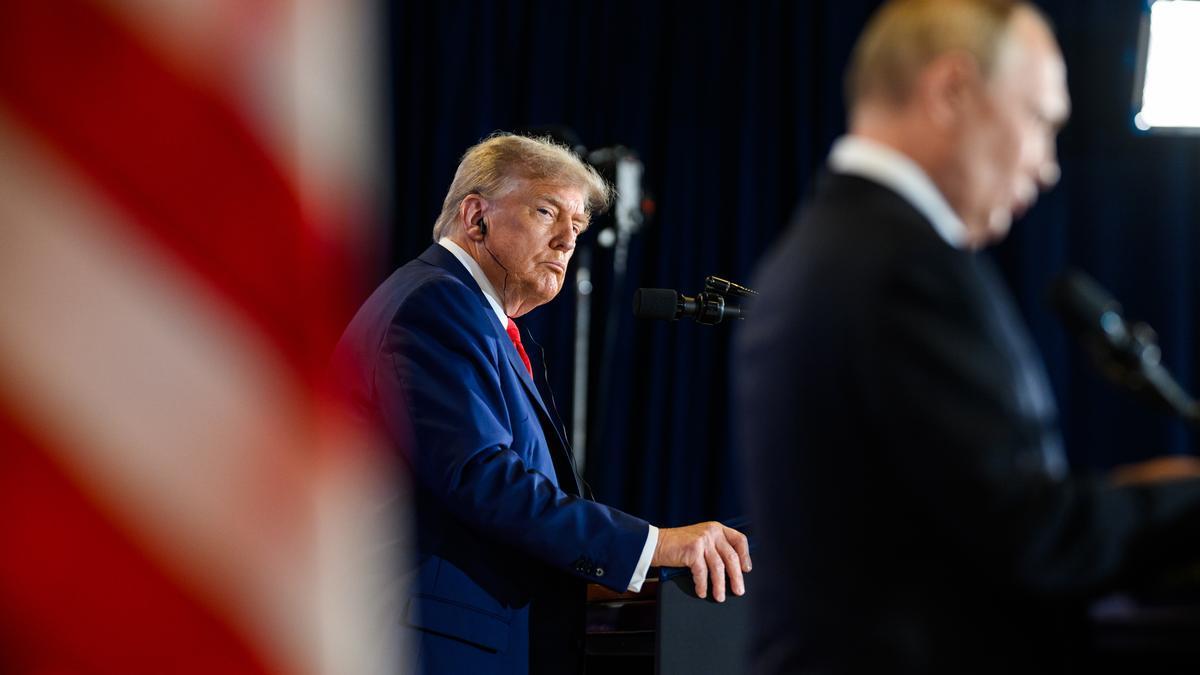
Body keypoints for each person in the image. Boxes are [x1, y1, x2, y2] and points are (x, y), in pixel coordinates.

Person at [735, 1, 1200, 673]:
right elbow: (1030, 537)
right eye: (1040, 122)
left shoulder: (831, 246)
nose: (1047, 167)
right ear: (951, 91)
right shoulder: (900, 266)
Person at [333, 132, 751, 674]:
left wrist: (600, 573)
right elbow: (482, 477)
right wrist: (654, 546)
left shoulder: (479, 320)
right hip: (433, 647)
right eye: (546, 212)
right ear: (476, 217)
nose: (565, 241)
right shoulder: (434, 303)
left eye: (577, 226)